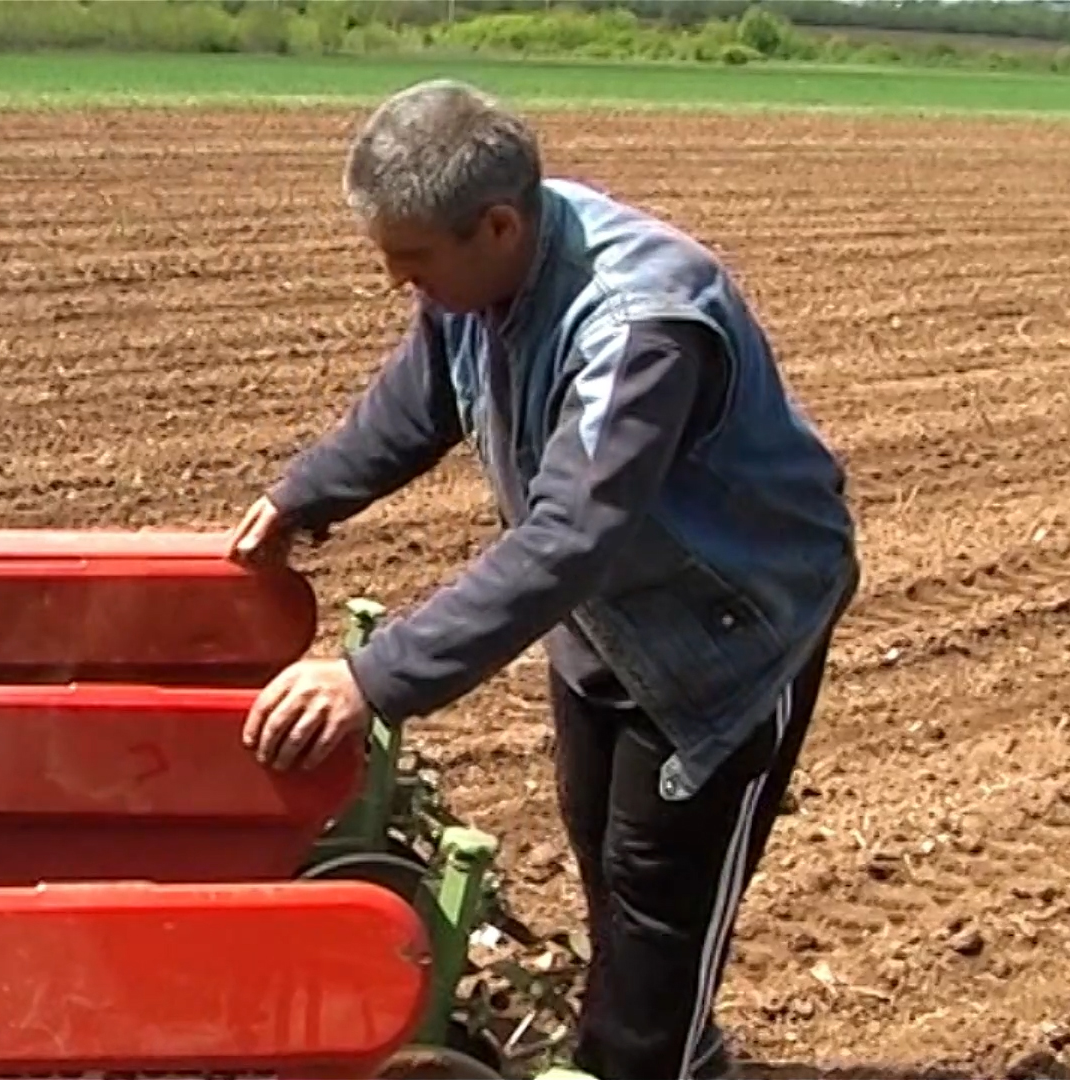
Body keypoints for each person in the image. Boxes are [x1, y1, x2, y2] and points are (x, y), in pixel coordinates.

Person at [228, 79, 858, 1080]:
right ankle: (654, 1040)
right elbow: (426, 389)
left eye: (411, 261)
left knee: (661, 904)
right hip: (609, 616)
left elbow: (569, 537)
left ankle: (659, 1057)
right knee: (603, 849)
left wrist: (369, 678)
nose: (396, 281)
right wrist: (310, 494)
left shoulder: (637, 324)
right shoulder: (482, 275)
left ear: (498, 224)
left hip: (725, 632)